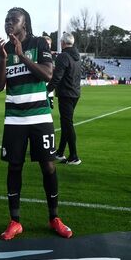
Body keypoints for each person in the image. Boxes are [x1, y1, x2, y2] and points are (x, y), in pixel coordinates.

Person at [0, 7, 72, 240]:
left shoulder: (39, 43)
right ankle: (15, 221)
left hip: (40, 117)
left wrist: (23, 56)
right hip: (14, 119)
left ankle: (54, 217)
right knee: (14, 167)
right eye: (6, 19)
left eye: (13, 20)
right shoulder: (2, 49)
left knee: (48, 166)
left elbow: (47, 74)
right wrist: (3, 59)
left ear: (24, 23)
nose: (8, 23)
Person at [47, 32, 83, 165]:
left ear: (62, 43)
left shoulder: (63, 56)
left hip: (66, 93)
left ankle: (74, 156)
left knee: (67, 124)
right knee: (65, 123)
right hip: (75, 93)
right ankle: (60, 152)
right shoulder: (77, 56)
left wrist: (47, 90)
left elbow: (57, 76)